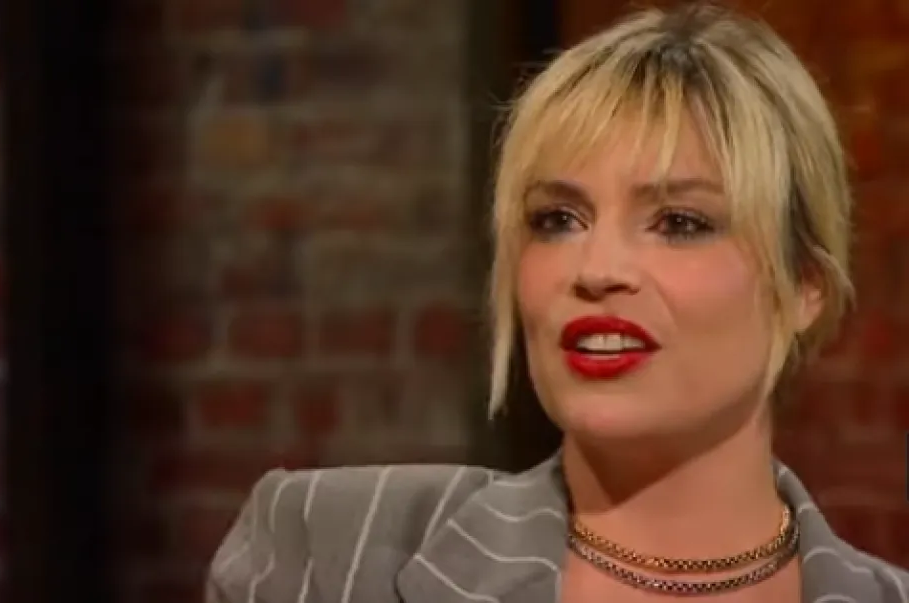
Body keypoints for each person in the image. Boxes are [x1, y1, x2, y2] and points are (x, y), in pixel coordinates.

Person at [205, 4, 909, 602]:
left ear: (804, 285)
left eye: (679, 222)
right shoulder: (328, 551)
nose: (596, 271)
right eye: (558, 219)